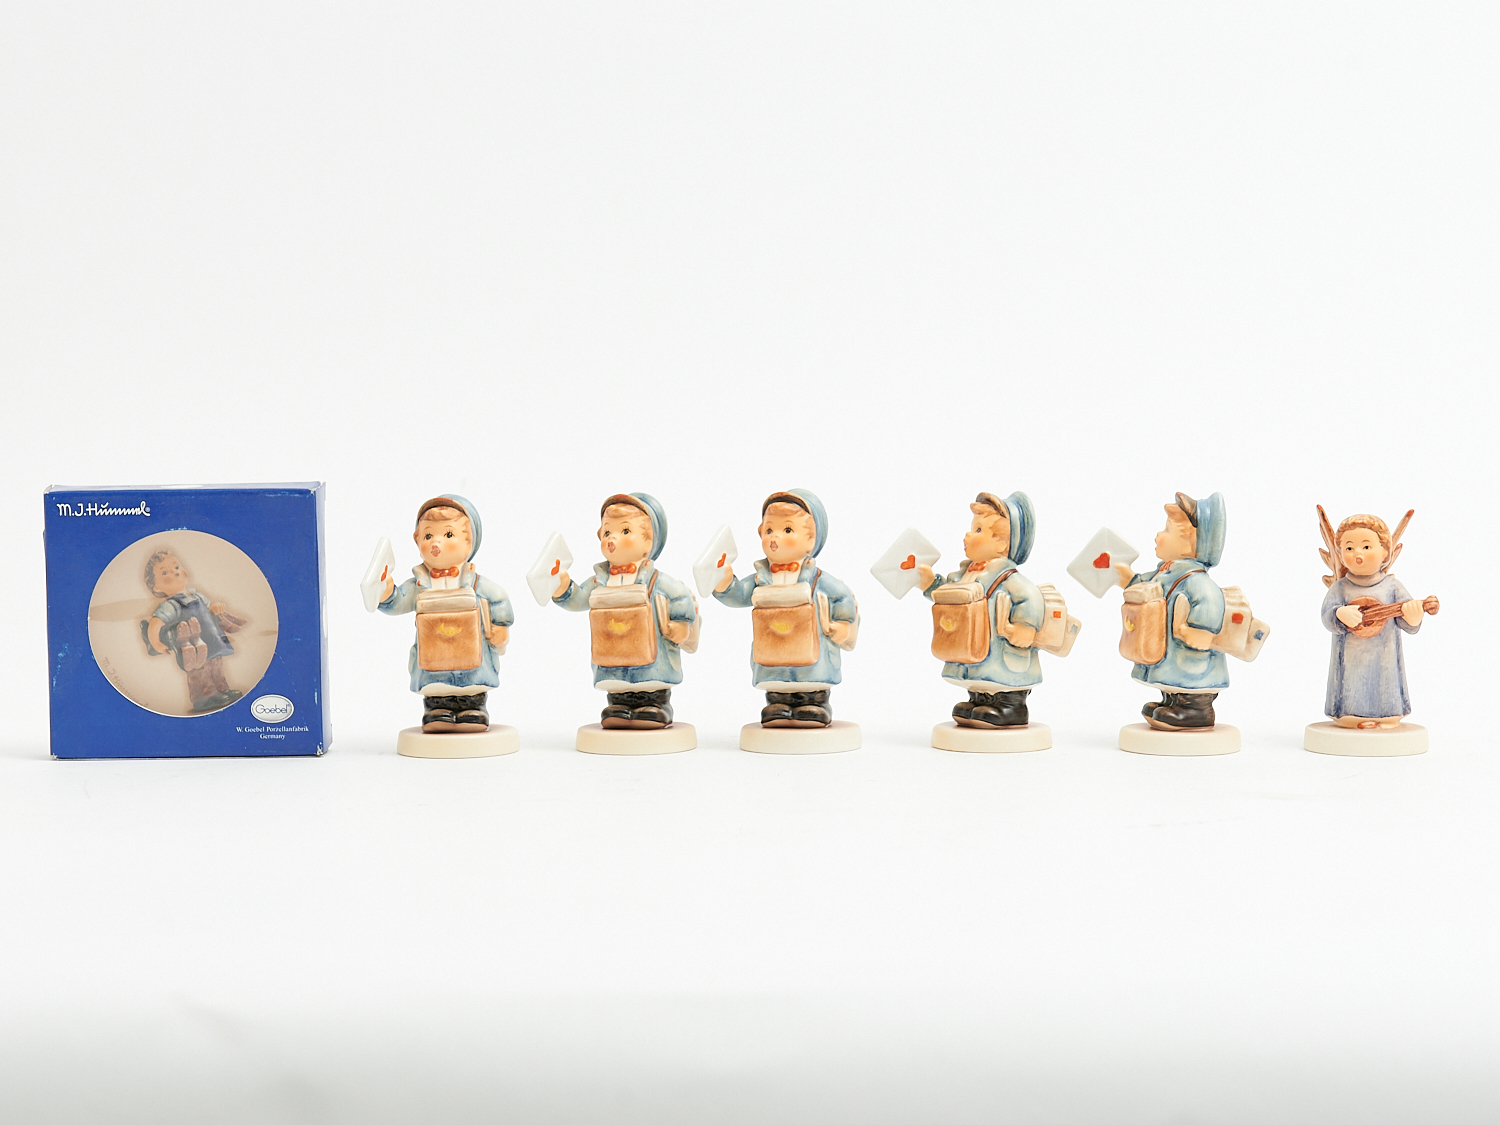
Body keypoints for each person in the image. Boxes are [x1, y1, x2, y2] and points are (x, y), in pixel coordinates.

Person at [551, 493, 698, 729]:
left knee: (650, 682)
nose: (612, 538)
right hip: (612, 651)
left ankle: (656, 704)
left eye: (626, 531)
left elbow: (680, 596)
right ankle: (619, 705)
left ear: (648, 542)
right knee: (617, 683)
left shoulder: (658, 581)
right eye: (607, 532)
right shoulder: (599, 581)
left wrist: (681, 624)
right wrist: (563, 588)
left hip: (652, 657)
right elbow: (578, 598)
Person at [714, 488, 858, 728]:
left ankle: (814, 704)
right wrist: (725, 584)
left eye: (787, 530)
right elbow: (738, 595)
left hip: (811, 652)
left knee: (810, 680)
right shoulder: (760, 578)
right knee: (777, 681)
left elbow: (842, 598)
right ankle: (778, 704)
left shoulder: (819, 580)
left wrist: (843, 624)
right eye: (769, 530)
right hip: (773, 647)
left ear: (810, 539)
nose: (775, 537)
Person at [375, 495, 513, 732]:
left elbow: (499, 598)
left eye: (448, 534)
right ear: (417, 539)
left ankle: (473, 708)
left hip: (472, 654)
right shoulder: (419, 584)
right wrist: (387, 593)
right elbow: (398, 601)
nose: (436, 542)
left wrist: (500, 626)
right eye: (428, 536)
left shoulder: (476, 583)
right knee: (436, 685)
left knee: (472, 683)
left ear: (469, 542)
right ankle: (437, 710)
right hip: (433, 655)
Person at [913, 491, 1043, 728]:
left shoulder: (1009, 579)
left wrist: (1024, 628)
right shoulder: (965, 574)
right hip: (972, 648)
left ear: (1002, 544)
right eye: (972, 528)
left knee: (1001, 678)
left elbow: (1031, 597)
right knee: (980, 677)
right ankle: (978, 700)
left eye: (979, 530)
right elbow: (949, 593)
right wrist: (931, 584)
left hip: (1001, 652)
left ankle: (1011, 706)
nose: (968, 535)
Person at [1116, 491, 1229, 730]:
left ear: (1191, 543)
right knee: (1173, 680)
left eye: (1167, 530)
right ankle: (1172, 702)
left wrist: (1200, 631)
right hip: (1169, 654)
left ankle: (1195, 710)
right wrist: (1129, 579)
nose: (1159, 535)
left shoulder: (1197, 581)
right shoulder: (1166, 572)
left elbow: (1211, 601)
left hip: (1192, 659)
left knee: (1190, 683)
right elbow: (1147, 585)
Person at [1319, 512, 1428, 728]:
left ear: (1385, 551)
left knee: (1384, 682)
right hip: (1349, 659)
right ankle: (1351, 717)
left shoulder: (1392, 587)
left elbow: (1407, 621)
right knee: (1351, 684)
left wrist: (1413, 616)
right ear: (1340, 553)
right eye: (1349, 548)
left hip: (1384, 656)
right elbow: (1326, 615)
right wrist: (1339, 614)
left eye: (1366, 546)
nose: (1357, 553)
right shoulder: (1340, 588)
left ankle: (1386, 716)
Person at [141, 548, 245, 713]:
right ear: (157, 587)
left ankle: (222, 689)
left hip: (212, 639)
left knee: (216, 665)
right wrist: (156, 643)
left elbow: (209, 610)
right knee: (200, 670)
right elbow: (155, 623)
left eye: (176, 567)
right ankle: (204, 698)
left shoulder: (198, 596)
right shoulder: (171, 605)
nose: (175, 572)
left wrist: (215, 608)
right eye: (165, 572)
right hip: (195, 646)